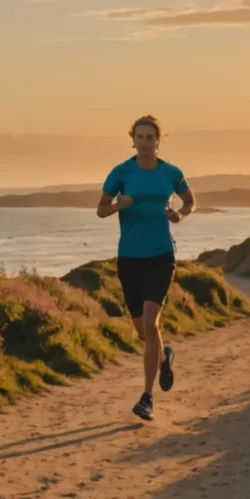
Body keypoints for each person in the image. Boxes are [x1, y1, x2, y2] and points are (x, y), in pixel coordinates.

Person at [97, 115, 196, 421]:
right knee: (143, 331)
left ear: (158, 140)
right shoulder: (121, 172)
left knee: (152, 323)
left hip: (161, 255)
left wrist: (180, 215)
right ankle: (164, 358)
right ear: (133, 140)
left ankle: (147, 397)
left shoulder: (171, 173)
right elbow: (101, 210)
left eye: (149, 137)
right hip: (129, 258)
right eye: (139, 137)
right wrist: (118, 205)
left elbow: (190, 201)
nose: (144, 142)